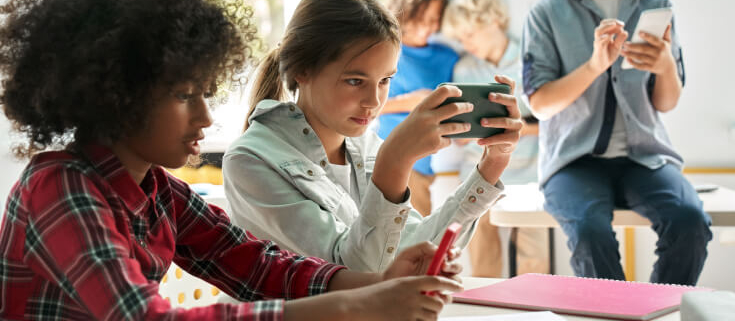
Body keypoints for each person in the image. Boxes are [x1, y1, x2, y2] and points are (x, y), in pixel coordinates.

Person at [0, 0, 467, 319]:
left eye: (205, 92)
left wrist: (377, 281)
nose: (205, 116)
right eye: (185, 95)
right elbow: (142, 317)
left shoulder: (161, 192)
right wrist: (357, 305)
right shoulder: (59, 188)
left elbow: (260, 266)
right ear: (116, 96)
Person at [222, 0, 523, 272]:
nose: (374, 101)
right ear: (302, 69)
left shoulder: (363, 145)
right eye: (355, 80)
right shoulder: (250, 162)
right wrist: (395, 161)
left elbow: (415, 249)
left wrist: (492, 164)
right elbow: (355, 276)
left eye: (385, 80)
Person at [522, 0, 712, 285]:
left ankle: (658, 310)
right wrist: (594, 67)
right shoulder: (546, 13)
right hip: (572, 162)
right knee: (589, 232)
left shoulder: (656, 5)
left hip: (645, 156)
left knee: (690, 222)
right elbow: (540, 104)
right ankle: (616, 314)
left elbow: (666, 102)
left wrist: (666, 67)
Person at [439, 0, 548, 277]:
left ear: (494, 21)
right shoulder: (464, 68)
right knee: (481, 253)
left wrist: (517, 126)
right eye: (461, 37)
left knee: (533, 257)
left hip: (529, 175)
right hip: (478, 172)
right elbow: (460, 124)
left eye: (470, 34)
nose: (466, 43)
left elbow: (553, 117)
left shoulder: (534, 57)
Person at [375, 0, 458, 216]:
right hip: (388, 157)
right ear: (409, 10)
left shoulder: (447, 57)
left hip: (425, 163)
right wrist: (410, 102)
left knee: (416, 238)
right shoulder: (383, 48)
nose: (432, 26)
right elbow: (363, 105)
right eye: (426, 19)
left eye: (436, 20)